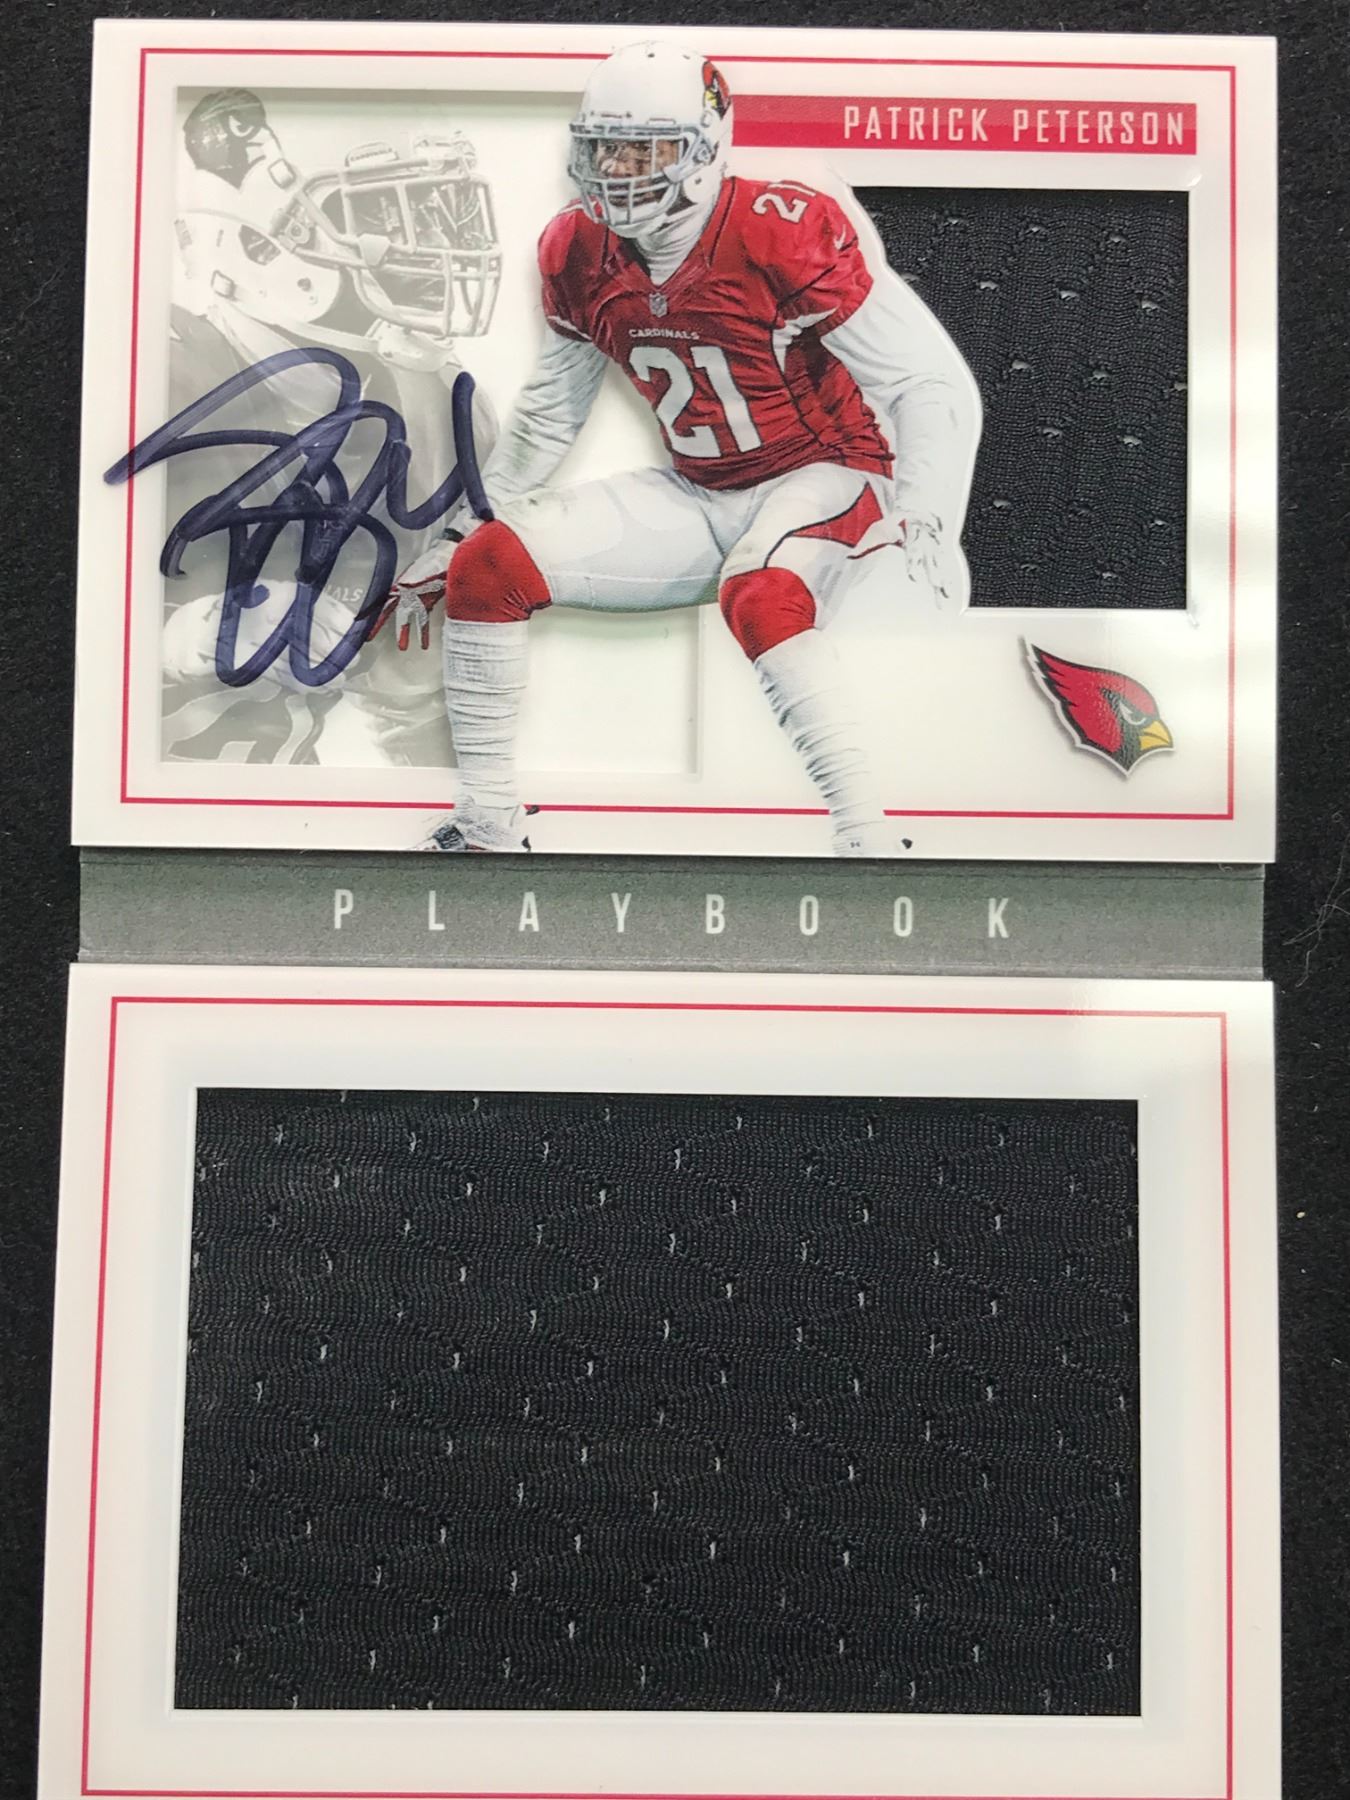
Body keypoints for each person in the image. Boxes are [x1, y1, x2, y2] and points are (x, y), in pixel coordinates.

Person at [385, 41, 980, 851]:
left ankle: (869, 837)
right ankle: (486, 818)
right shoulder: (574, 250)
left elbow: (925, 380)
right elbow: (550, 413)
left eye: (645, 150)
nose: (618, 170)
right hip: (702, 488)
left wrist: (925, 512)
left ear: (704, 152)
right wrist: (460, 529)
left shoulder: (778, 231)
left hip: (827, 470)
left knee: (761, 595)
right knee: (487, 566)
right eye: (605, 148)